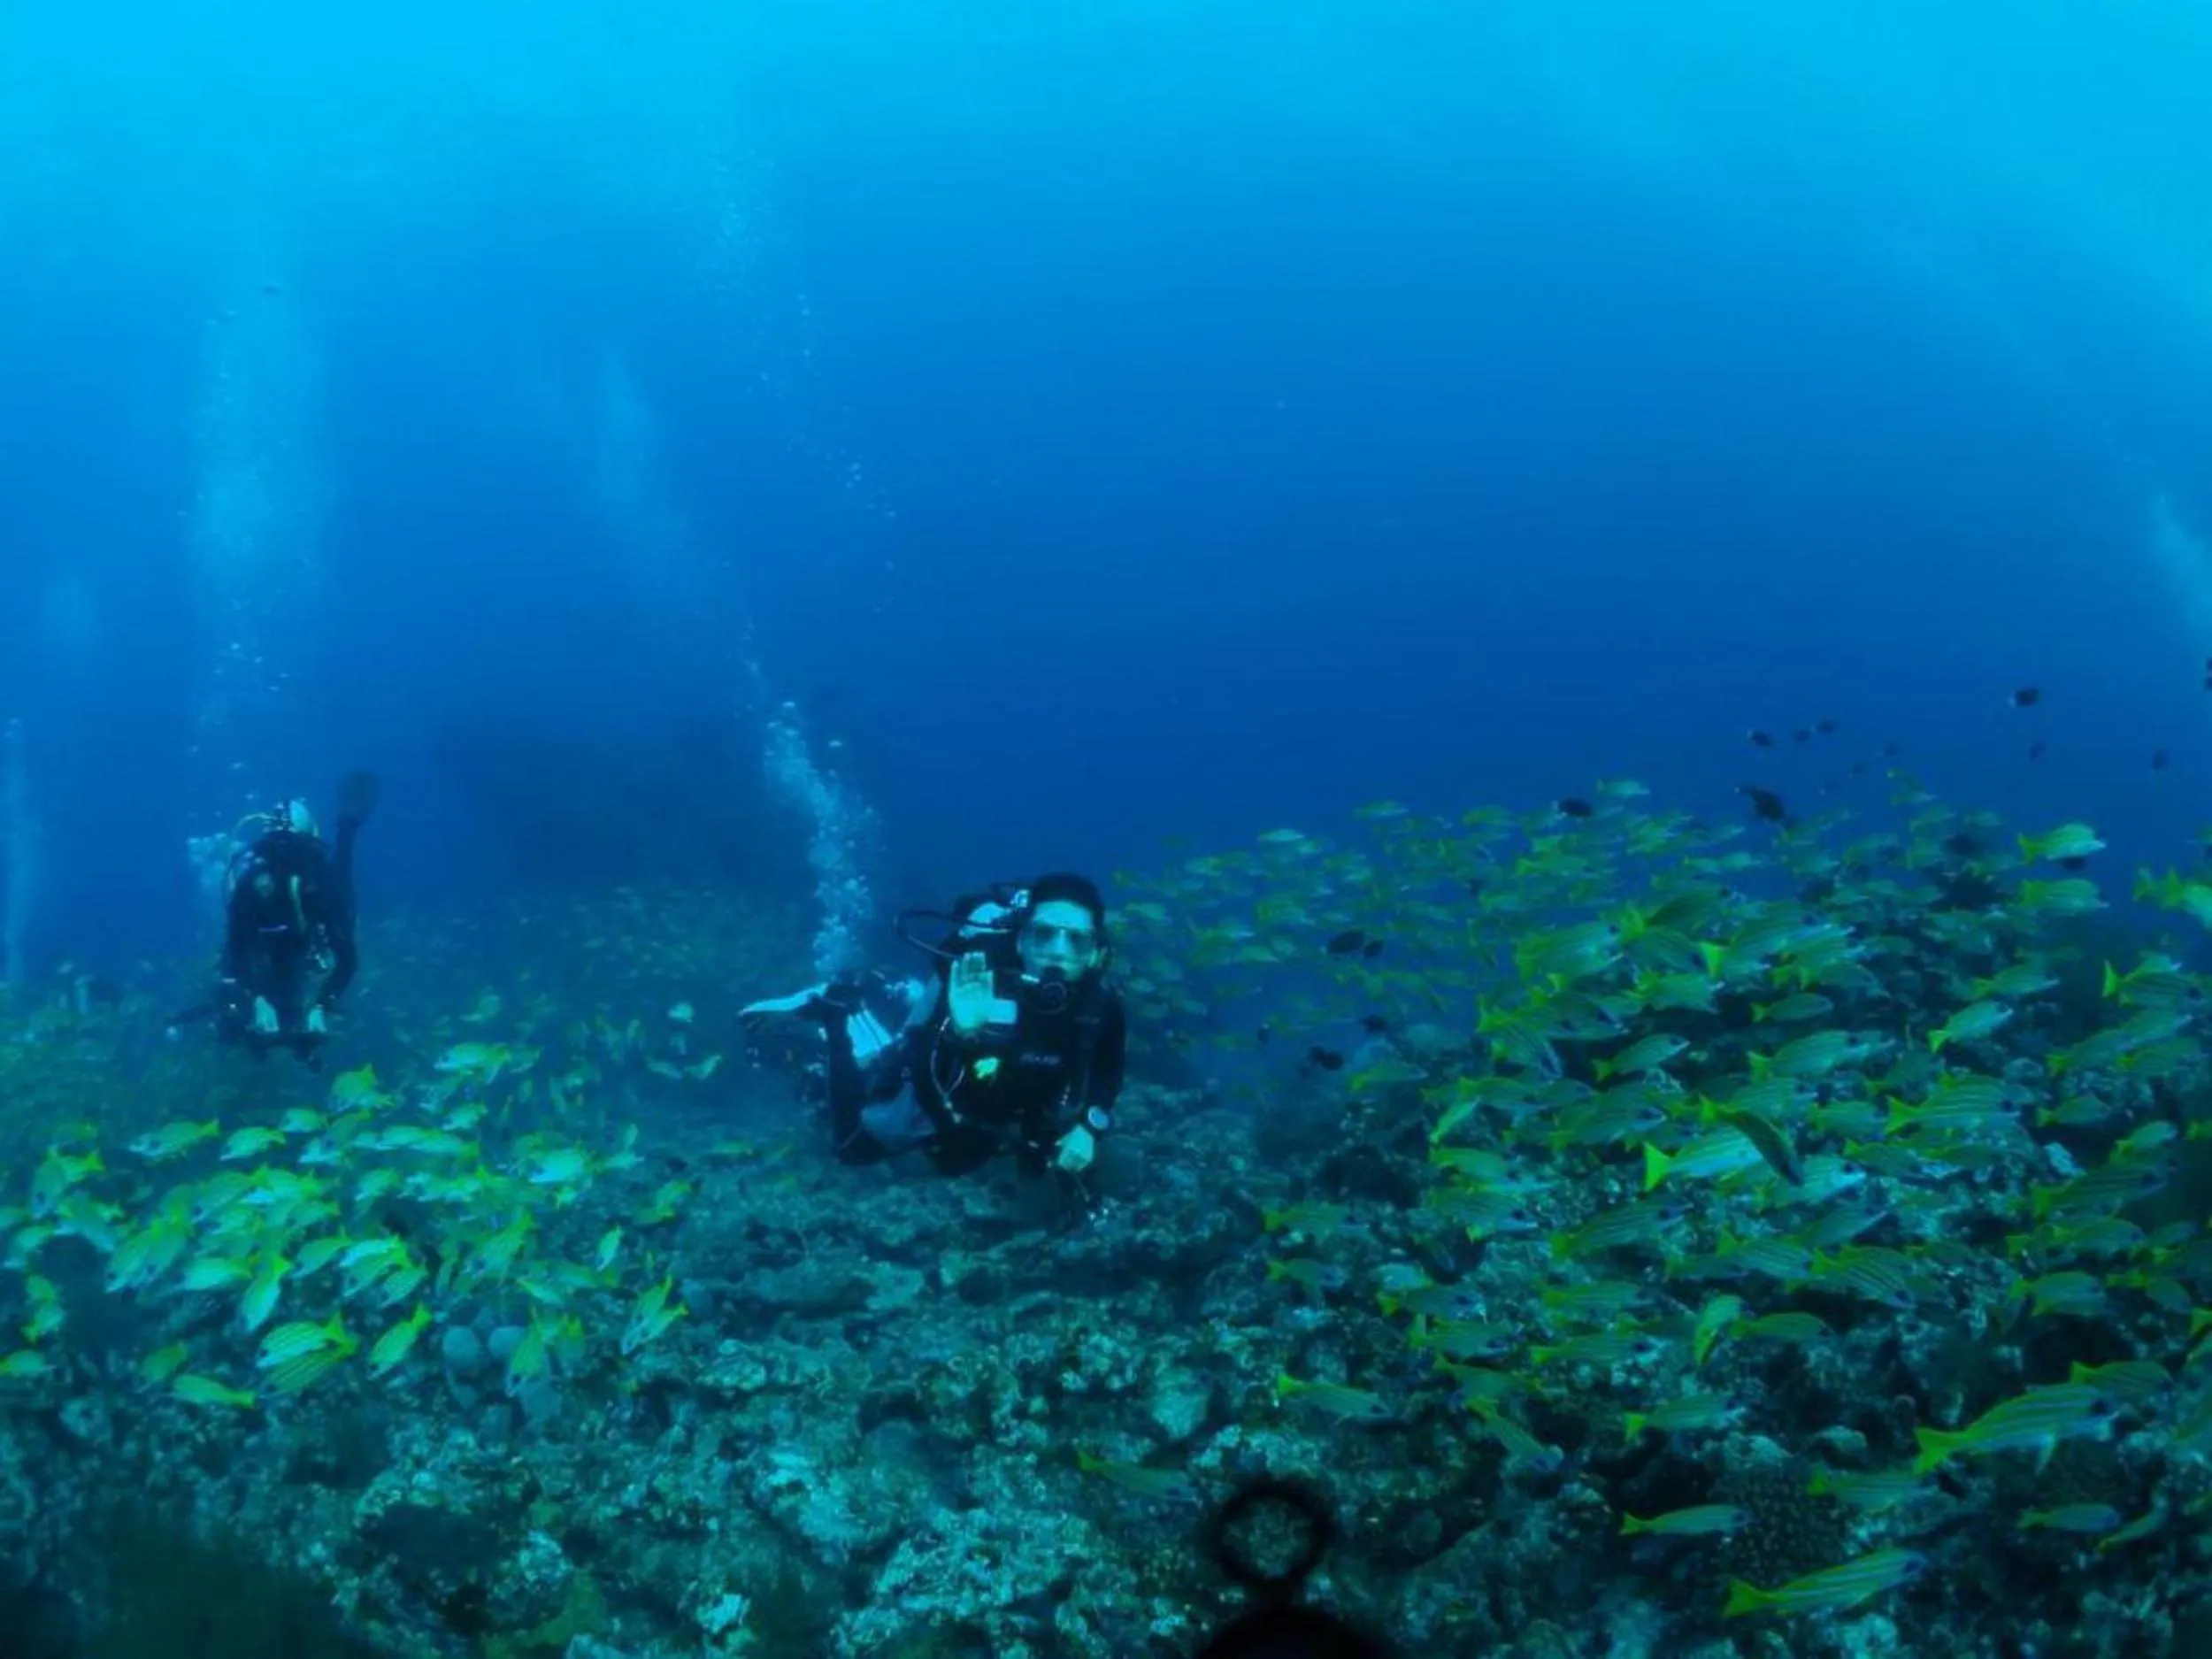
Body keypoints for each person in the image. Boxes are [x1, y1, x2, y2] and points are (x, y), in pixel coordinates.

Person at [741, 873, 1126, 1191]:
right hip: (937, 1081)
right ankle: (835, 1015)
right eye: (1044, 934)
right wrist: (961, 1035)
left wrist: (1091, 1127)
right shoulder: (980, 983)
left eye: (1077, 940)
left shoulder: (1102, 1007)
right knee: (851, 1150)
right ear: (1022, 940)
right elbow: (923, 1067)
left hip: (1001, 1100)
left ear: (1095, 952)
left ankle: (882, 998)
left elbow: (1109, 1067)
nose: (1059, 952)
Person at [205, 771, 378, 1064]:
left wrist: (322, 1004)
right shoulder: (253, 885)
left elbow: (346, 958)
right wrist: (258, 998)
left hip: (304, 939)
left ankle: (347, 827)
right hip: (270, 952)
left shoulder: (320, 882)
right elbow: (236, 952)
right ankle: (347, 825)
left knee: (345, 895)